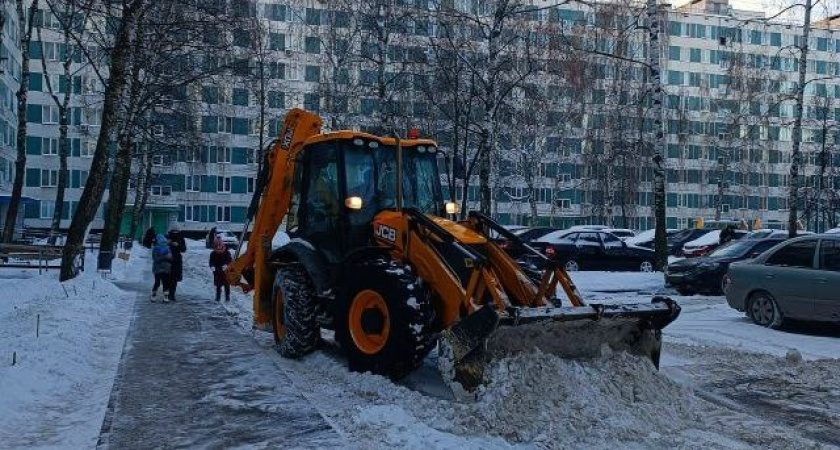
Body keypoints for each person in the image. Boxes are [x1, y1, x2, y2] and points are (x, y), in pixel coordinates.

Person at [209, 236, 232, 302]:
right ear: (215, 246)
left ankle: (227, 298)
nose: (219, 247)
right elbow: (211, 261)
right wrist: (212, 266)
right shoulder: (213, 253)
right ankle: (218, 297)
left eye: (220, 245)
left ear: (222, 245)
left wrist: (227, 265)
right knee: (218, 286)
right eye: (217, 245)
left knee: (227, 285)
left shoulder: (226, 252)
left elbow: (230, 260)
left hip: (225, 271)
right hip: (217, 271)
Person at [167, 228, 187, 302]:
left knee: (174, 279)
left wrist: (178, 245)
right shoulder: (167, 237)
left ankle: (172, 295)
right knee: (167, 278)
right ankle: (167, 294)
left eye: (176, 231)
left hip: (176, 261)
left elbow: (184, 249)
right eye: (173, 231)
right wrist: (167, 243)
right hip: (167, 260)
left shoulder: (180, 238)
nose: (175, 232)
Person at [151, 235, 172, 302]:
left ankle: (154, 296)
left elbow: (155, 259)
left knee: (157, 282)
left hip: (158, 268)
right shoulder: (167, 249)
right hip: (164, 268)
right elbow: (170, 258)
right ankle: (166, 297)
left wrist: (165, 258)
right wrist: (166, 257)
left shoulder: (155, 249)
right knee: (164, 283)